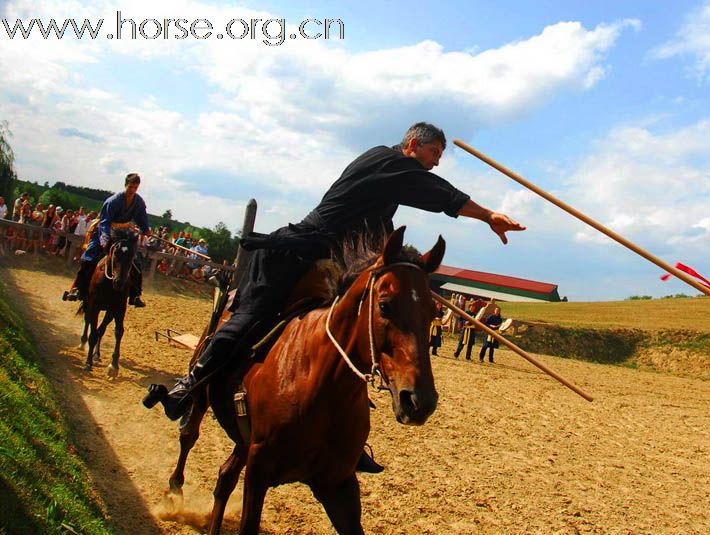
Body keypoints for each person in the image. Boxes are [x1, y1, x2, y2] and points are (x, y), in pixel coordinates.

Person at [145, 122, 525, 469]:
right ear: (412, 145)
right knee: (249, 319)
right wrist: (488, 215)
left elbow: (383, 244)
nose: (436, 163)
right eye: (434, 154)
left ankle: (345, 438)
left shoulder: (388, 190)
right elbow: (438, 194)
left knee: (347, 341)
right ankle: (189, 386)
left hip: (331, 269)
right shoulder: (385, 160)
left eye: (440, 157)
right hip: (295, 254)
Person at [63, 173, 149, 307]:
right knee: (90, 257)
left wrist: (145, 229)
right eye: (131, 187)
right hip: (106, 230)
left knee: (135, 261)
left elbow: (142, 218)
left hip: (124, 232)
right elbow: (104, 221)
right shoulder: (112, 201)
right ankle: (78, 288)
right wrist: (104, 240)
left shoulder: (139, 202)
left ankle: (135, 295)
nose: (132, 190)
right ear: (126, 185)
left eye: (135, 187)